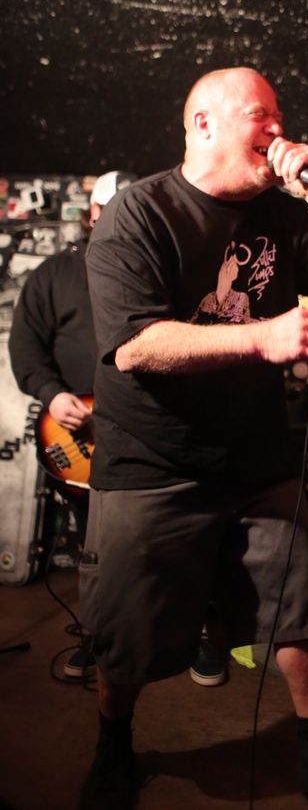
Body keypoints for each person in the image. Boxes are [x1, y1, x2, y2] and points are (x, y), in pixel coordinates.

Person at [79, 67, 308, 810]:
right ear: (204, 123)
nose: (278, 128)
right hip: (151, 461)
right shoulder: (138, 213)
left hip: (256, 460)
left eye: (279, 115)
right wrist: (265, 337)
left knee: (300, 613)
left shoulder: (282, 212)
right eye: (263, 114)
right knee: (127, 633)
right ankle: (112, 747)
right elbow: (135, 347)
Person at [8, 170, 136, 677]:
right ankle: (100, 638)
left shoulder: (157, 271)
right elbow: (26, 346)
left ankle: (184, 637)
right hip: (80, 436)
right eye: (111, 210)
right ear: (92, 213)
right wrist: (52, 394)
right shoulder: (55, 274)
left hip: (145, 436)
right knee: (95, 547)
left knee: (164, 539)